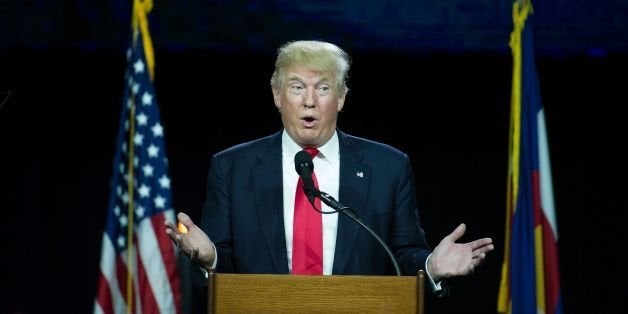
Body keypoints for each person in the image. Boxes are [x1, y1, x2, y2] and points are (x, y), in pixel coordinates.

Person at [165, 40, 493, 297]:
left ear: (341, 98)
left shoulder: (387, 167)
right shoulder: (232, 167)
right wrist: (211, 261)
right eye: (296, 87)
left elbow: (402, 257)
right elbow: (220, 270)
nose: (310, 101)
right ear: (277, 95)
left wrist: (431, 268)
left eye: (322, 88)